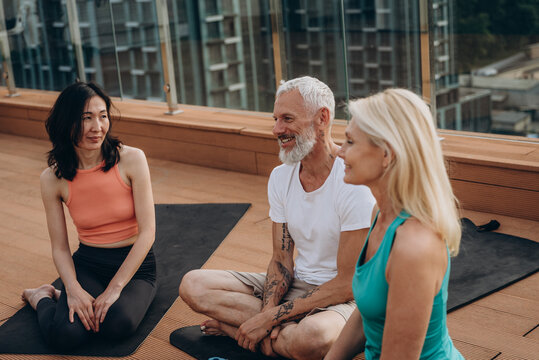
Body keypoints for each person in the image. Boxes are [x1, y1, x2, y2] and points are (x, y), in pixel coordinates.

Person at [179, 76, 376, 359]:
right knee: (193, 285)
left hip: (343, 299)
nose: (276, 129)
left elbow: (347, 284)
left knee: (313, 337)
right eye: (275, 119)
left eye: (287, 119)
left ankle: (235, 328)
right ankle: (274, 333)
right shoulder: (281, 176)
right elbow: (281, 259)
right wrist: (269, 313)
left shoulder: (351, 181)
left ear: (322, 118)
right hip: (298, 286)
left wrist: (267, 319)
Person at [325, 88, 464, 359]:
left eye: (350, 142)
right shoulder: (380, 213)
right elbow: (369, 311)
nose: (340, 152)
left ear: (387, 155)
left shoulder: (414, 247)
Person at [21, 82, 157, 350]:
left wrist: (115, 289)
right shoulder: (52, 178)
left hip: (135, 267)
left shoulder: (131, 159)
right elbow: (60, 247)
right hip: (88, 264)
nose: (98, 127)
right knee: (66, 336)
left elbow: (148, 232)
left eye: (103, 116)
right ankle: (42, 297)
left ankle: (88, 296)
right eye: (86, 118)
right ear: (67, 122)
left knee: (116, 324)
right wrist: (72, 288)